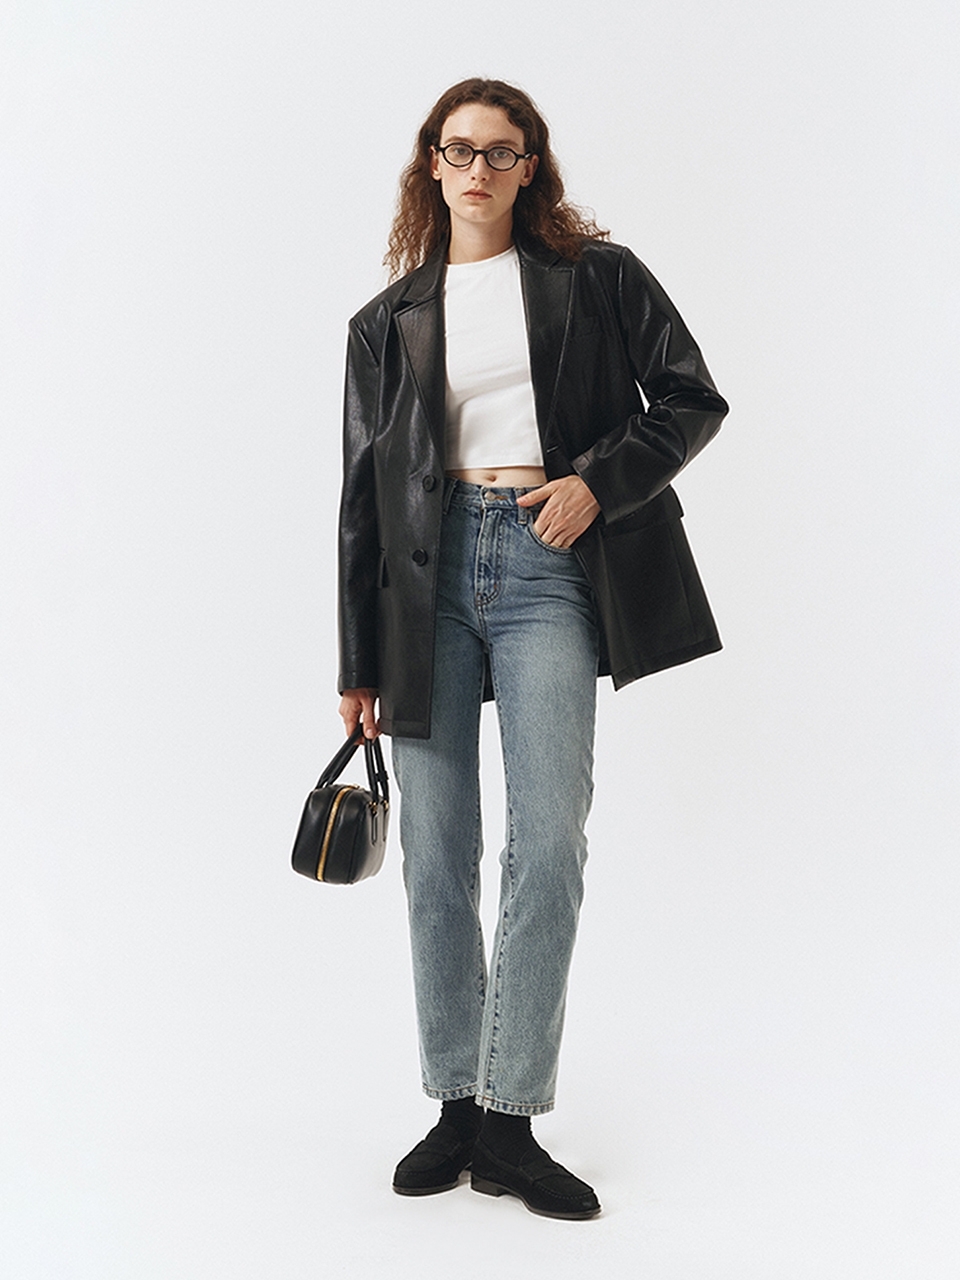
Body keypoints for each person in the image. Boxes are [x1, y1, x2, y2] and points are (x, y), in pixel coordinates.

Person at [337, 78, 728, 1220]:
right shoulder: (386, 320)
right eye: (458, 150)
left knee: (549, 841)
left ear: (530, 166)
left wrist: (595, 484)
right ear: (431, 163)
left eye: (499, 152)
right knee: (436, 853)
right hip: (424, 584)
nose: (477, 169)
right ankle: (456, 1102)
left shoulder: (597, 278)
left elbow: (691, 398)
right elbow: (361, 498)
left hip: (548, 561)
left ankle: (509, 1121)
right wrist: (357, 660)